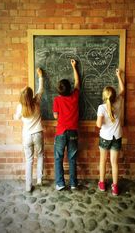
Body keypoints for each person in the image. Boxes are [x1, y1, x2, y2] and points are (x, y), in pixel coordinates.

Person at [14, 68, 44, 192]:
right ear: (31, 95)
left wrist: (16, 115)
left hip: (27, 136)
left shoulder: (21, 107)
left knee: (29, 160)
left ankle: (28, 186)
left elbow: (16, 118)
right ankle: (40, 179)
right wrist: (40, 76)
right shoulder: (36, 101)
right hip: (38, 134)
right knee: (40, 155)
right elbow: (41, 89)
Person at [96, 68, 124, 196]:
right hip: (116, 137)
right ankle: (115, 187)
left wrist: (100, 119)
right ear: (114, 96)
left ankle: (102, 184)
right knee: (114, 163)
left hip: (105, 138)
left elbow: (98, 125)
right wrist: (119, 76)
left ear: (104, 96)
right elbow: (122, 90)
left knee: (103, 161)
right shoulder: (118, 103)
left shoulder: (101, 108)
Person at [53, 59, 80, 191]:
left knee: (58, 157)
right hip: (73, 132)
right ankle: (74, 183)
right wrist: (74, 67)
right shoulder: (75, 96)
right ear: (70, 88)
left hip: (61, 132)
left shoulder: (57, 100)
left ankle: (60, 183)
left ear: (59, 91)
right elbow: (77, 82)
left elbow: (56, 116)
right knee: (72, 158)